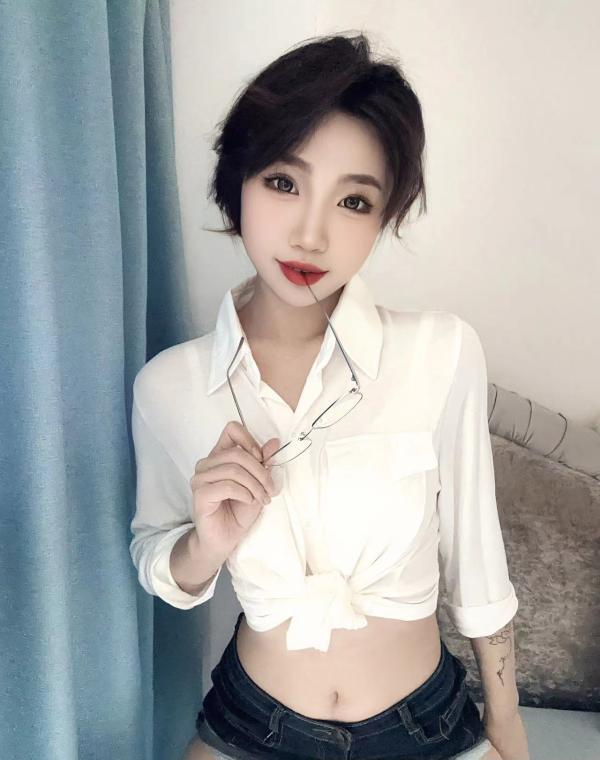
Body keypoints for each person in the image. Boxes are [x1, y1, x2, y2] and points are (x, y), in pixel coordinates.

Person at [130, 32, 526, 760]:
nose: (310, 235)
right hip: (251, 728)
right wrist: (206, 543)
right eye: (283, 182)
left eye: (352, 200)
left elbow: (478, 561)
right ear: (238, 181)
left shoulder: (440, 353)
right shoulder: (170, 387)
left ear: (383, 218)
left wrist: (507, 723)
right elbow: (159, 561)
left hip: (426, 728)